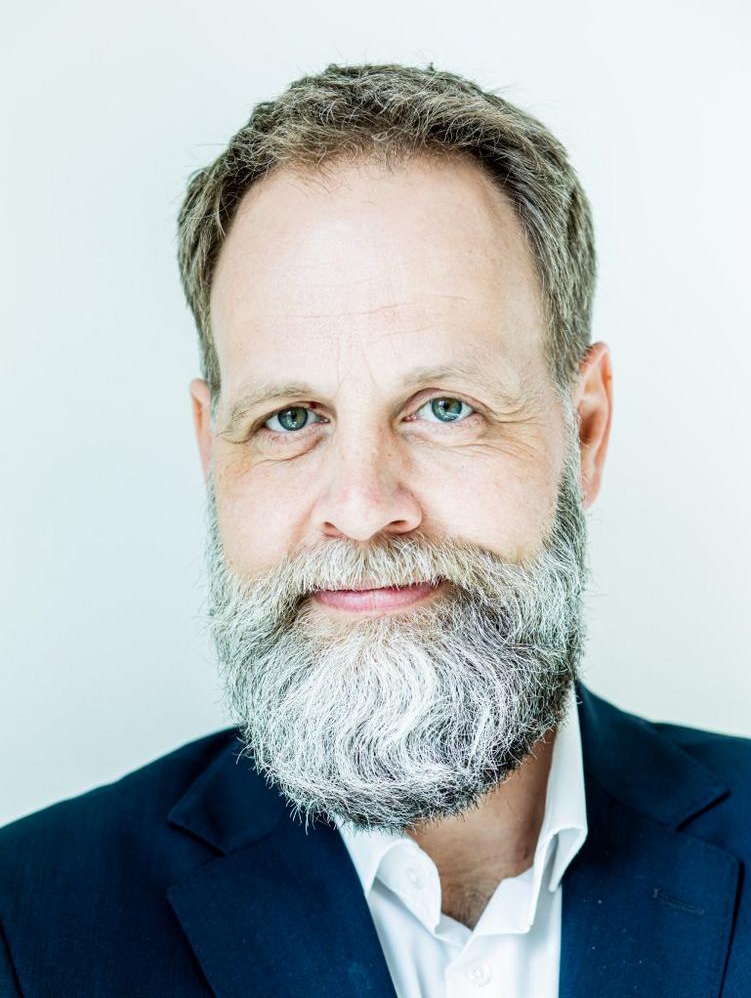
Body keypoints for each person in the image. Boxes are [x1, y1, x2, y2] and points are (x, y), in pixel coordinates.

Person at [0, 62, 748, 998]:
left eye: (444, 408)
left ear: (584, 430)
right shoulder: (26, 931)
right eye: (289, 418)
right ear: (211, 450)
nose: (360, 508)